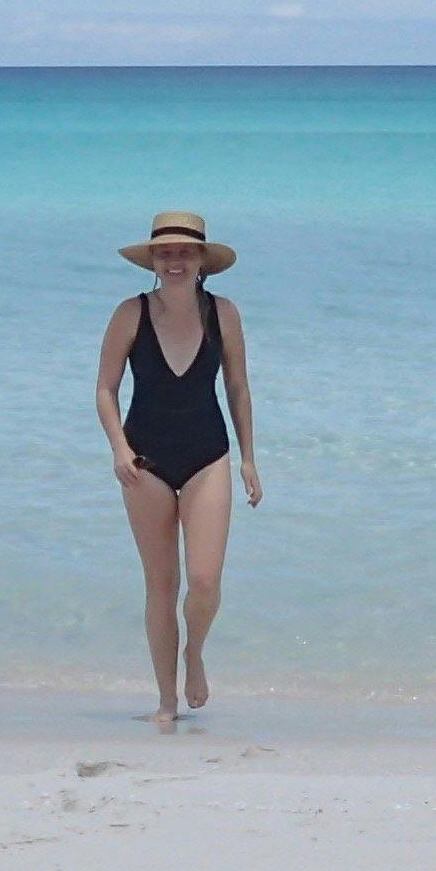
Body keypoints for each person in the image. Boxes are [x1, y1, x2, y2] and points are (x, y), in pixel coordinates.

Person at [96, 210, 261, 730]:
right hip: (144, 462)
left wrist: (249, 458)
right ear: (152, 260)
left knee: (206, 582)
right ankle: (166, 702)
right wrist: (119, 448)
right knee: (161, 585)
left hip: (208, 456)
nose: (174, 261)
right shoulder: (130, 313)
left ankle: (196, 654)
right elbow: (105, 388)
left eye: (184, 252)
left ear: (201, 260)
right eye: (165, 253)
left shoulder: (224, 313)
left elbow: (238, 387)